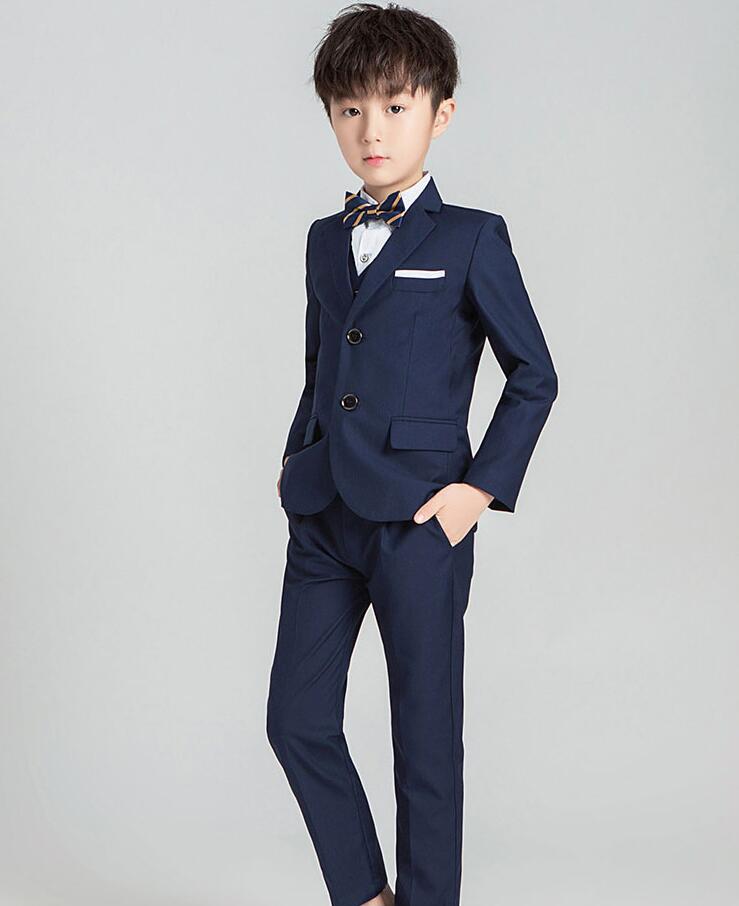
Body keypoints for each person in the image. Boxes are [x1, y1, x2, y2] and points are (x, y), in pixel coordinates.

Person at [266, 4, 558, 905]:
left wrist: (477, 491)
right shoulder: (323, 239)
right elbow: (322, 363)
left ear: (441, 113)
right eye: (350, 109)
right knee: (296, 721)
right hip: (324, 511)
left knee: (425, 738)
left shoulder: (470, 236)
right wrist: (295, 457)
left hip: (422, 518)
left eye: (395, 107)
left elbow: (533, 375)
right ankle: (365, 895)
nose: (372, 130)